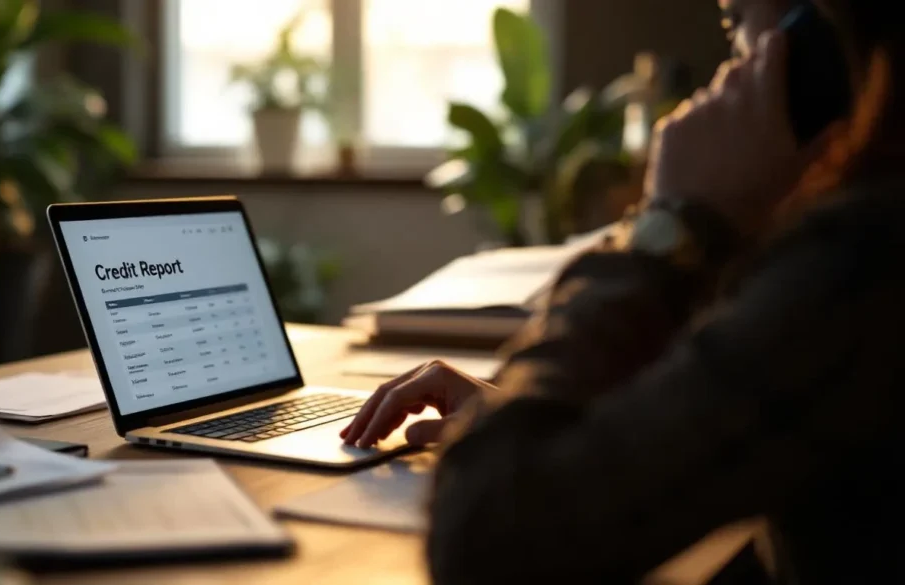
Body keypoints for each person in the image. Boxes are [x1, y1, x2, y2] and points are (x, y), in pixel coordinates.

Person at [342, 0, 904, 582]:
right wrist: (522, 417)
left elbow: (484, 537)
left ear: (817, 38)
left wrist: (668, 228)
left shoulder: (862, 261)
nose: (728, 71)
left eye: (736, 24)